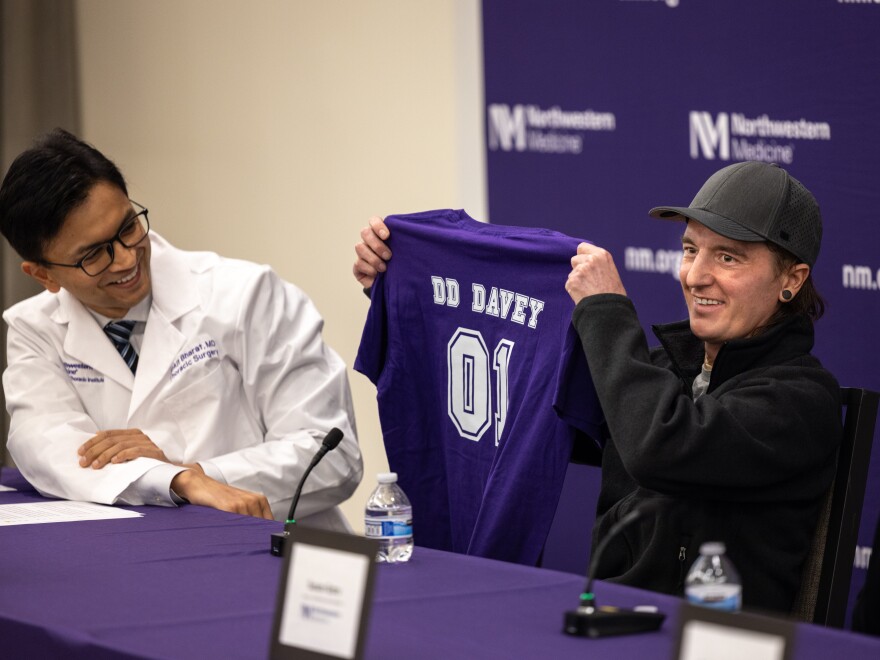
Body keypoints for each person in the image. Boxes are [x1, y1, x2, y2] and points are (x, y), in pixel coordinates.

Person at [353, 161, 841, 614]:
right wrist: (408, 292)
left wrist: (606, 311)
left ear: (791, 281)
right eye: (690, 249)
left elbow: (661, 445)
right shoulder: (666, 375)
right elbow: (521, 394)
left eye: (728, 257)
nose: (695, 275)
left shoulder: (801, 399)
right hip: (608, 627)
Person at [0, 129, 362, 529]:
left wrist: (199, 473)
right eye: (93, 255)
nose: (125, 260)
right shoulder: (34, 328)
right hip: (144, 555)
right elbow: (47, 448)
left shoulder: (245, 294)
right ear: (43, 275)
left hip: (283, 547)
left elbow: (331, 455)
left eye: (127, 228)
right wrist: (177, 480)